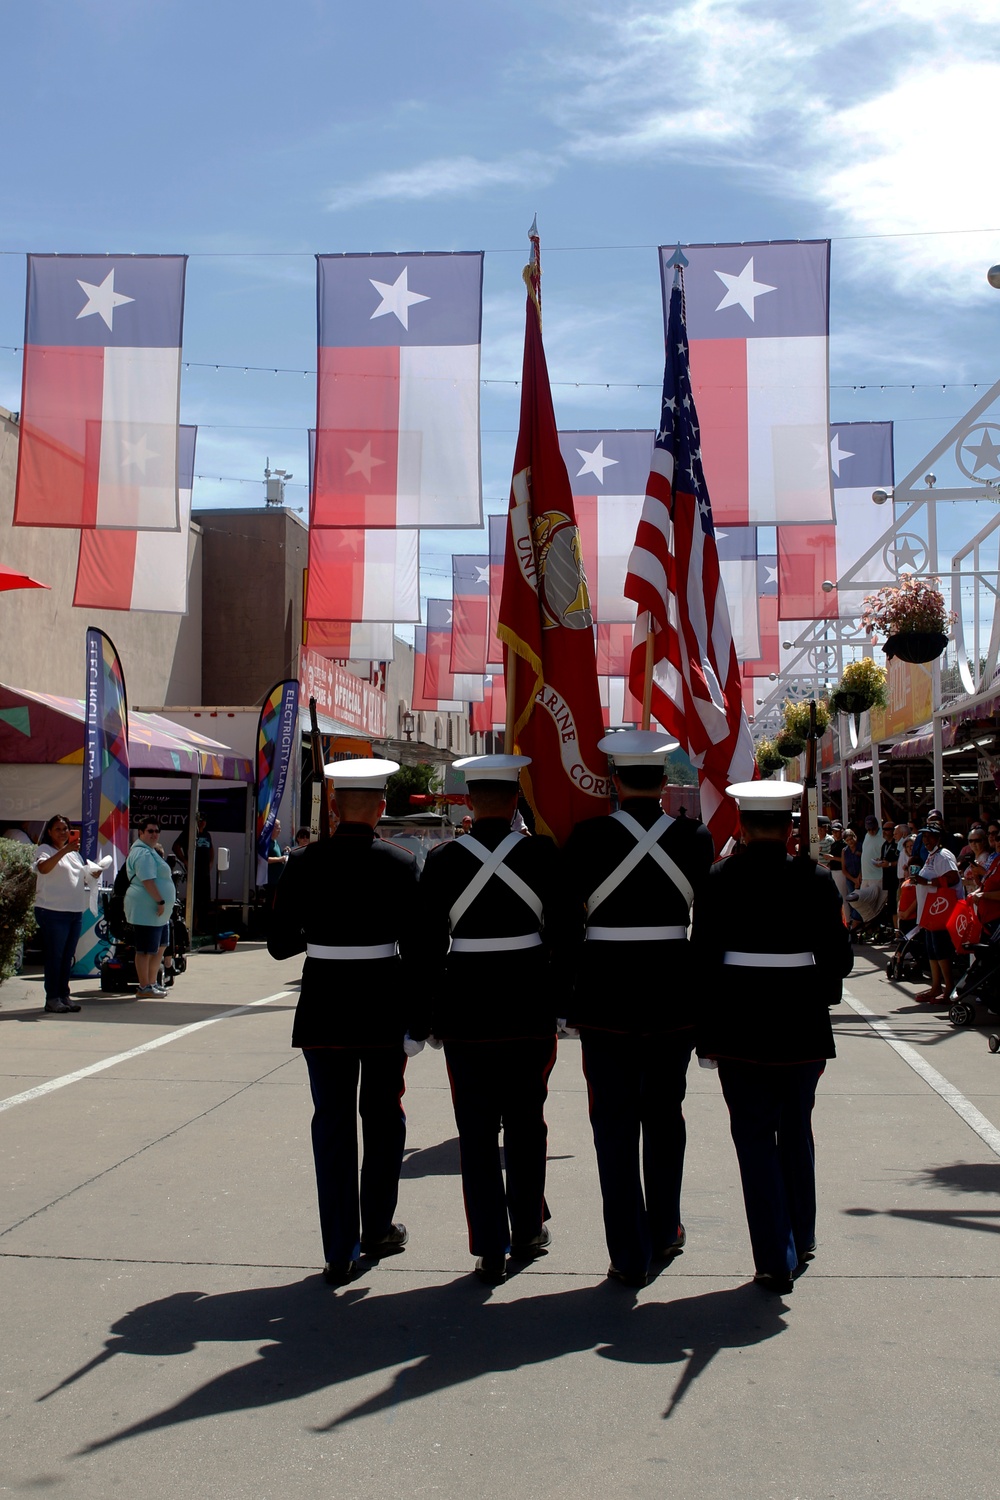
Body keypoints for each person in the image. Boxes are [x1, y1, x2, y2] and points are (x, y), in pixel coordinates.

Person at [414, 753, 576, 1286]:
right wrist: (563, 1002)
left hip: (466, 1009)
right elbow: (567, 935)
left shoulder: (442, 860)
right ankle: (528, 1229)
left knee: (476, 1131)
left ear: (470, 800)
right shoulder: (544, 855)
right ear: (513, 802)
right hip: (529, 1005)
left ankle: (489, 1246)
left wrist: (426, 1015)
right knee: (528, 1124)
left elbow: (424, 950)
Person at [561, 730, 714, 1288]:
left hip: (605, 997)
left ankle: (628, 1250)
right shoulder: (695, 839)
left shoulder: (587, 837)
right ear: (666, 781)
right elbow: (709, 926)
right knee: (665, 1117)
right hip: (673, 995)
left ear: (616, 782)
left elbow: (564, 921)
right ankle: (665, 1227)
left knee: (614, 1125)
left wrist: (570, 988)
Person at [693, 780, 853, 1294]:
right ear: (789, 829)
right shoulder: (817, 879)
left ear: (741, 826)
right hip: (800, 1024)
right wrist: (820, 994)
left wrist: (707, 1027)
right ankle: (800, 1237)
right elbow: (839, 961)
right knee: (796, 1133)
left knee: (755, 1141)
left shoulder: (718, 878)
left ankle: (773, 1255)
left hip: (739, 1026)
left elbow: (703, 960)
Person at [267, 758, 418, 1286]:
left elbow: (280, 945)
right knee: (382, 1120)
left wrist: (324, 934)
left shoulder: (304, 863)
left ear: (333, 808)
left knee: (332, 1126)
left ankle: (339, 1248)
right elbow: (420, 947)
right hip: (381, 1007)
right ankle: (376, 1228)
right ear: (380, 808)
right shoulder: (400, 865)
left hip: (326, 1006)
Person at [33, 814, 105, 1013]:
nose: (63, 832)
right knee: (54, 957)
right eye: (58, 829)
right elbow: (43, 868)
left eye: (66, 829)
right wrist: (64, 850)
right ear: (49, 832)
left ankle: (64, 995)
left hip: (73, 912)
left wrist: (93, 874)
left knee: (66, 958)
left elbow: (80, 879)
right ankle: (52, 998)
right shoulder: (45, 850)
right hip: (52, 912)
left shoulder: (75, 854)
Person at [125, 818, 176, 998]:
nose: (154, 834)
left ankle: (153, 982)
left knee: (160, 947)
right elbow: (147, 880)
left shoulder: (150, 852)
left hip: (158, 913)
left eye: (156, 831)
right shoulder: (143, 853)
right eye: (150, 831)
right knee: (145, 950)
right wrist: (160, 901)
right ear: (141, 832)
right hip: (148, 909)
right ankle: (144, 986)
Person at [911, 823, 960, 1002]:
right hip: (930, 913)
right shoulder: (932, 856)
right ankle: (935, 986)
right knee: (932, 950)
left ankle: (949, 987)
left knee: (941, 950)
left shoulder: (944, 855)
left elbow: (953, 878)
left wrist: (928, 883)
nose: (926, 840)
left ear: (939, 838)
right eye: (924, 837)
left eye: (930, 837)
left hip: (940, 911)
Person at [172, 810, 214, 932]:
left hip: (205, 872)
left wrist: (211, 862)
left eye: (204, 820)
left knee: (205, 900)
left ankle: (201, 926)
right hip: (194, 872)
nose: (203, 823)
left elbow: (211, 849)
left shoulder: (207, 834)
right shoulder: (188, 833)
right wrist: (185, 861)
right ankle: (192, 927)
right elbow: (176, 846)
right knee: (194, 900)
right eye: (200, 820)